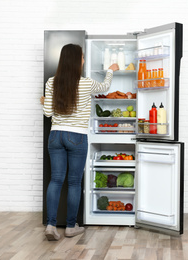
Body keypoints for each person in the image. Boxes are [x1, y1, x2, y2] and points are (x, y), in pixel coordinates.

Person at [41, 44, 119, 241]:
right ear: (77, 61)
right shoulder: (86, 83)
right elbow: (105, 87)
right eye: (82, 58)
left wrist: (44, 101)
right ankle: (70, 227)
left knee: (56, 180)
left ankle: (51, 225)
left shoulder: (51, 82)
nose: (84, 60)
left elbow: (48, 113)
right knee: (74, 182)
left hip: (55, 135)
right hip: (76, 136)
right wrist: (110, 70)